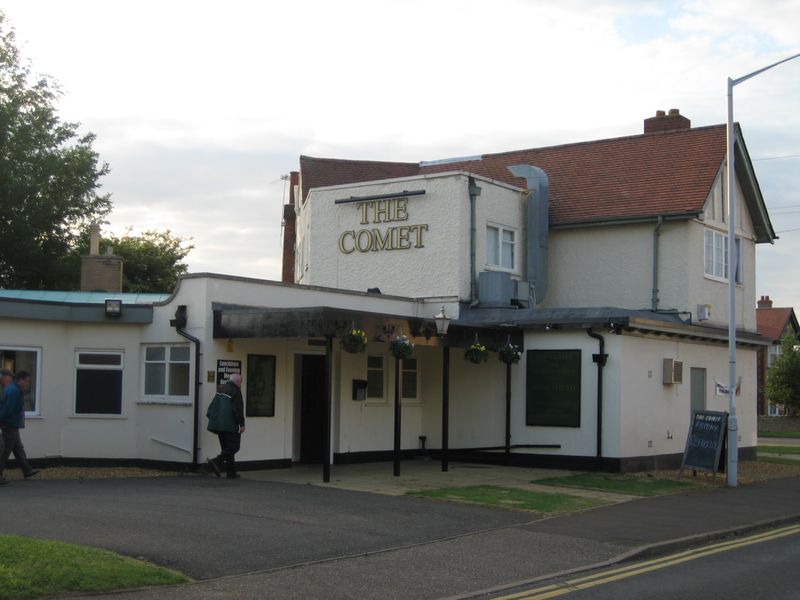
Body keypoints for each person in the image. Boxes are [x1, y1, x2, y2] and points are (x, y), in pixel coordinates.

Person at [0, 370, 38, 483]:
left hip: (13, 424)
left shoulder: (14, 389)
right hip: (10, 424)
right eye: (26, 381)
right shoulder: (13, 391)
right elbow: (8, 409)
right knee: (5, 451)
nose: (28, 384)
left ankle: (27, 470)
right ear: (20, 380)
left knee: (18, 448)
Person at [206, 373, 245, 479]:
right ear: (237, 381)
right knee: (234, 447)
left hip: (218, 425)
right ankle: (216, 461)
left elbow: (211, 407)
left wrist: (214, 420)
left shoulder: (220, 389)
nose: (241, 385)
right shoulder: (236, 391)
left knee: (226, 448)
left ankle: (231, 472)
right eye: (241, 382)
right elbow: (238, 409)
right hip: (230, 425)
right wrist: (241, 424)